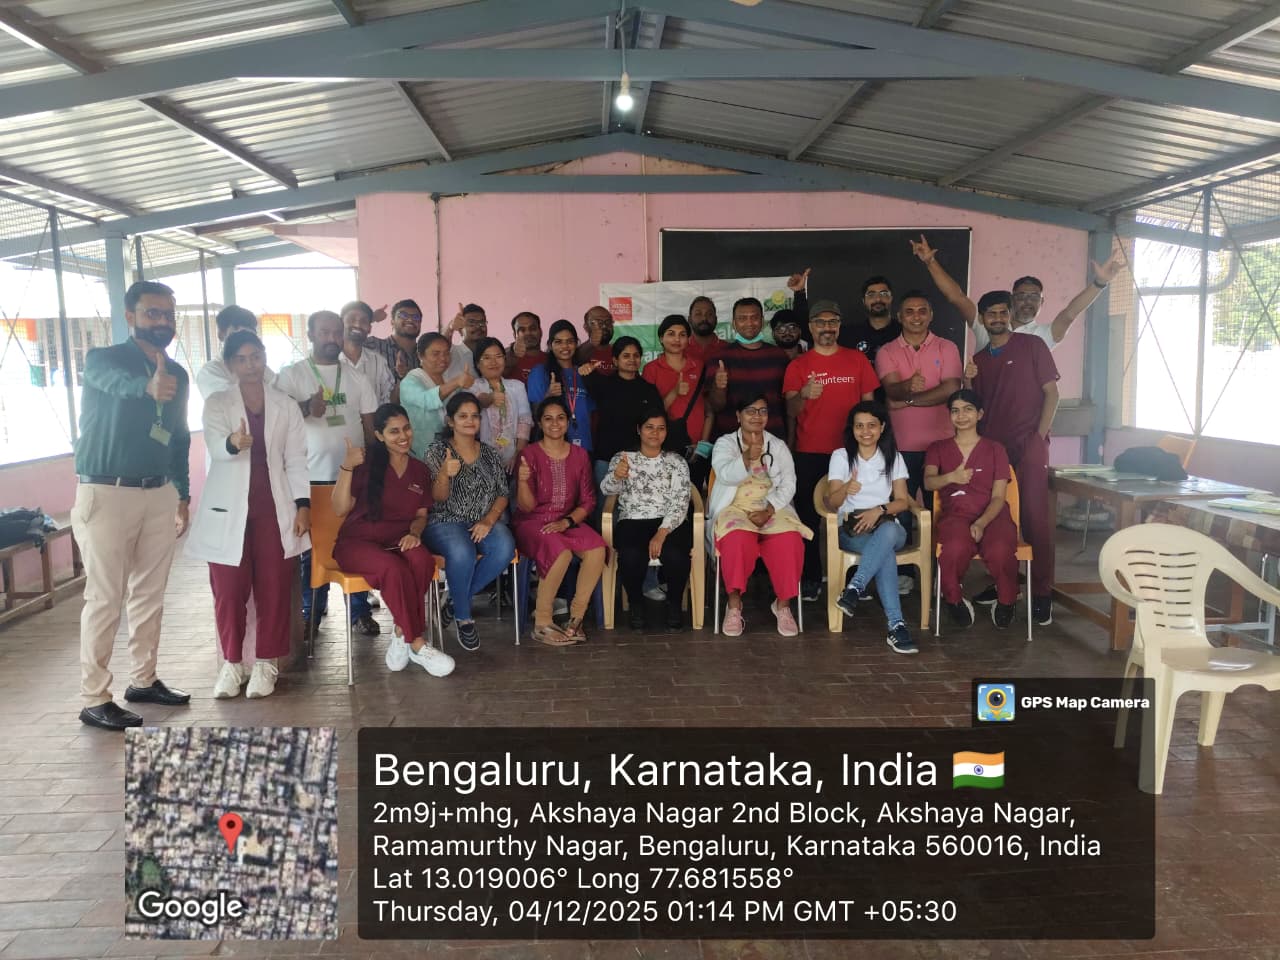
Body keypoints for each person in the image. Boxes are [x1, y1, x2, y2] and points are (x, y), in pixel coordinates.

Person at [72, 280, 192, 730]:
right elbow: (114, 383)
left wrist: (181, 494)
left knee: (150, 593)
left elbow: (178, 437)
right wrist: (145, 386)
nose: (161, 322)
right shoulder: (104, 360)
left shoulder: (177, 374)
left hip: (158, 493)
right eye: (152, 313)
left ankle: (143, 680)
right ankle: (94, 696)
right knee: (104, 597)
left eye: (167, 314)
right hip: (107, 493)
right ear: (130, 316)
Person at [187, 331, 311, 699]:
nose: (250, 365)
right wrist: (232, 443)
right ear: (229, 365)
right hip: (228, 510)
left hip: (274, 507)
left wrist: (303, 505)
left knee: (273, 587)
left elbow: (296, 459)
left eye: (255, 356)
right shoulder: (217, 404)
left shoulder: (284, 404)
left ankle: (266, 663)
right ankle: (231, 663)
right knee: (228, 589)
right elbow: (215, 447)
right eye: (241, 359)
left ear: (264, 357)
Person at [276, 310, 379, 638]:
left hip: (351, 479)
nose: (333, 338)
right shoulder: (291, 375)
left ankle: (359, 611)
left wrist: (374, 469)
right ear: (310, 335)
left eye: (337, 332)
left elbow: (369, 424)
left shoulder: (355, 377)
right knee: (312, 549)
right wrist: (307, 408)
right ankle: (313, 612)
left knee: (356, 542)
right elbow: (276, 421)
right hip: (309, 480)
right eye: (325, 332)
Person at [332, 404, 456, 677]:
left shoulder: (419, 469)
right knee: (394, 568)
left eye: (406, 428)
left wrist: (415, 533)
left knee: (422, 560)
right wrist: (346, 467)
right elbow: (340, 509)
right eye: (393, 431)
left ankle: (401, 630)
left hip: (399, 539)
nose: (403, 436)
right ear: (379, 435)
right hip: (356, 543)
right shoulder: (364, 465)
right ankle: (418, 642)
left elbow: (421, 515)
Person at [969, 292, 1059, 625]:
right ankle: (1005, 583)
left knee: (1035, 519)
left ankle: (1042, 593)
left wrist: (1039, 436)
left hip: (1029, 445)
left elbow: (1052, 393)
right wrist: (966, 378)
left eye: (1002, 312)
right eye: (989, 313)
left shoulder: (1032, 346)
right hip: (995, 449)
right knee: (1000, 518)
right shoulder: (977, 361)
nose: (996, 318)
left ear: (1009, 315)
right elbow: (974, 408)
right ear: (981, 318)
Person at [782, 299, 880, 601]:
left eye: (832, 322)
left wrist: (870, 446)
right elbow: (790, 409)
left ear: (839, 326)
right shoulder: (798, 365)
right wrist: (805, 395)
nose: (827, 328)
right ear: (811, 327)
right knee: (809, 519)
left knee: (854, 514)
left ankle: (855, 579)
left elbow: (869, 405)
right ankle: (811, 578)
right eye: (820, 323)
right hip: (810, 451)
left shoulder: (857, 360)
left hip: (853, 451)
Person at [910, 233, 1125, 351]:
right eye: (1021, 296)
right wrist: (930, 262)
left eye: (1034, 297)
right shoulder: (988, 323)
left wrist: (1099, 283)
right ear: (1011, 299)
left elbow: (1071, 312)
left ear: (1042, 302)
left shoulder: (1045, 336)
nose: (1027, 302)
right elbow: (956, 296)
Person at [708, 393, 811, 639]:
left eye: (763, 411)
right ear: (738, 416)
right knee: (736, 540)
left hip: (771, 506)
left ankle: (783, 606)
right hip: (735, 507)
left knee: (790, 541)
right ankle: (734, 605)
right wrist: (747, 458)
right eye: (751, 411)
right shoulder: (725, 443)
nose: (757, 416)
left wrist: (769, 509)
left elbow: (789, 483)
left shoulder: (777, 446)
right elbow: (724, 475)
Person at [421, 392, 517, 651]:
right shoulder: (437, 451)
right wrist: (443, 473)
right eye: (462, 416)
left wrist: (488, 520)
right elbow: (436, 497)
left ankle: (454, 599)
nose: (470, 421)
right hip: (444, 521)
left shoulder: (489, 453)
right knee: (461, 551)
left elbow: (502, 494)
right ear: (450, 421)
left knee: (504, 547)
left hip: (481, 520)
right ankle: (464, 618)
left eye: (474, 416)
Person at [512, 397, 607, 646]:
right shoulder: (529, 454)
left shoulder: (579, 454)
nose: (555, 423)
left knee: (597, 548)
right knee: (560, 552)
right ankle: (542, 622)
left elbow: (588, 501)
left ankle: (574, 619)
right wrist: (522, 480)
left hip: (566, 521)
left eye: (560, 417)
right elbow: (526, 506)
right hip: (533, 522)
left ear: (568, 421)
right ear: (540, 424)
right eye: (548, 418)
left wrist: (567, 522)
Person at [924, 389, 1020, 630]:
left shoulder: (995, 449)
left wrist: (981, 523)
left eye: (967, 409)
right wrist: (951, 477)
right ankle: (954, 600)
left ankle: (1006, 601)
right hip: (956, 514)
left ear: (979, 414)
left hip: (992, 514)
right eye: (955, 410)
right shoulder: (938, 448)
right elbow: (928, 482)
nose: (961, 416)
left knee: (999, 549)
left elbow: (999, 497)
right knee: (954, 549)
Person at [826, 403, 917, 654]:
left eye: (872, 425)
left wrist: (879, 509)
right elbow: (831, 502)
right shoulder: (841, 456)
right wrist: (846, 488)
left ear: (882, 427)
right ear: (852, 429)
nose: (866, 431)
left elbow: (902, 501)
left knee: (887, 535)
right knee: (884, 553)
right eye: (859, 426)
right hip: (854, 530)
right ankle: (896, 626)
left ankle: (855, 587)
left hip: (888, 524)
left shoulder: (893, 457)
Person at [601, 412, 693, 631]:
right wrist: (617, 476)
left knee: (675, 554)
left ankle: (674, 604)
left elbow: (681, 501)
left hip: (669, 520)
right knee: (631, 554)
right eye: (649, 427)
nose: (655, 433)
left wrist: (662, 532)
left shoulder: (676, 461)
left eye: (661, 428)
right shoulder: (623, 458)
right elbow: (607, 489)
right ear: (638, 429)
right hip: (633, 519)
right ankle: (636, 603)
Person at [874, 290, 963, 500]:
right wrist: (907, 386)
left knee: (942, 511)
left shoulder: (947, 347)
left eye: (922, 311)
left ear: (931, 315)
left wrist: (908, 400)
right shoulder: (887, 351)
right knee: (903, 509)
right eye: (910, 311)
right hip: (902, 446)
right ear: (900, 317)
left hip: (944, 443)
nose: (916, 316)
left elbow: (951, 390)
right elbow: (892, 391)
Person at [642, 315, 713, 483]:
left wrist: (702, 445)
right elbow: (650, 414)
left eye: (682, 335)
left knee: (694, 501)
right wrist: (674, 393)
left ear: (689, 339)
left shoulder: (699, 366)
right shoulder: (651, 369)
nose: (676, 339)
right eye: (671, 333)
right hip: (664, 447)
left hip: (695, 449)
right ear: (661, 338)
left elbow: (709, 410)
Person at [707, 297, 790, 440]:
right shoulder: (719, 358)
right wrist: (719, 386)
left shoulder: (779, 356)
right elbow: (715, 407)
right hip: (732, 444)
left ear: (763, 322)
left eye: (754, 317)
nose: (749, 323)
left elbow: (788, 406)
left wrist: (790, 442)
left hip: (773, 442)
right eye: (742, 318)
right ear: (734, 323)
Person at [584, 335, 664, 468]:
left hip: (639, 459)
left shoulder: (649, 390)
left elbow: (658, 421)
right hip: (606, 458)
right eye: (626, 356)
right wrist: (585, 370)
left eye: (636, 355)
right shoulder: (602, 385)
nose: (632, 359)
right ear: (615, 360)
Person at [398, 332, 475, 459]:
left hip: (449, 453)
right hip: (420, 454)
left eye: (446, 353)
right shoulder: (410, 381)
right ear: (420, 356)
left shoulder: (448, 380)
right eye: (436, 354)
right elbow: (427, 401)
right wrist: (456, 382)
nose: (443, 358)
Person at [526, 320, 595, 452]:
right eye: (558, 342)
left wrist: (594, 377)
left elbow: (590, 414)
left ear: (576, 344)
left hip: (584, 446)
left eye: (570, 341)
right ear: (550, 345)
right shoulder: (540, 372)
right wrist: (549, 396)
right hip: (552, 448)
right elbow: (535, 414)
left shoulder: (584, 372)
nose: (565, 346)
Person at [470, 337, 532, 473]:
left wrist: (518, 455)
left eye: (498, 356)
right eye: (486, 357)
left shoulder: (517, 386)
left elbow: (525, 421)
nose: (493, 362)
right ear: (478, 363)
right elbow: (479, 400)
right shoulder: (472, 386)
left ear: (505, 359)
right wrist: (491, 398)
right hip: (480, 462)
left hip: (512, 460)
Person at [196, 305, 276, 399]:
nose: (244, 339)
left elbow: (282, 393)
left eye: (250, 334)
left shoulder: (261, 367)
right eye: (238, 333)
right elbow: (232, 402)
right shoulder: (210, 371)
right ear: (221, 335)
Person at [838, 275, 902, 369]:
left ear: (891, 298)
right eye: (871, 295)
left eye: (884, 294)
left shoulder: (904, 333)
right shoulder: (848, 334)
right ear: (864, 301)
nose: (878, 299)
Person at [341, 300, 395, 404]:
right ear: (341, 323)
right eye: (351, 319)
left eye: (364, 321)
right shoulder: (327, 360)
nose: (357, 324)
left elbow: (387, 398)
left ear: (369, 328)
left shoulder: (378, 362)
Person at [367, 298, 423, 381]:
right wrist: (371, 318)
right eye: (403, 315)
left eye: (416, 317)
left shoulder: (424, 353)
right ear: (392, 322)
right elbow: (344, 339)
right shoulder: (374, 345)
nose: (410, 320)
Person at [444, 302, 486, 380]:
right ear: (460, 329)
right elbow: (441, 344)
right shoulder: (452, 352)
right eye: (471, 323)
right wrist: (451, 328)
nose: (478, 327)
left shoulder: (490, 354)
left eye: (482, 322)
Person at [505, 311, 546, 384]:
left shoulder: (550, 359)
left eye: (533, 328)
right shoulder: (506, 359)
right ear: (515, 335)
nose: (528, 333)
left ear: (541, 331)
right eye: (522, 330)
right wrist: (512, 352)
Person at [575, 305, 617, 375]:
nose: (604, 326)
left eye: (608, 322)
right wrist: (591, 343)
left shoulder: (620, 352)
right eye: (599, 322)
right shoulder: (577, 353)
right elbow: (577, 358)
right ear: (586, 327)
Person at [685, 295, 725, 363]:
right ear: (689, 319)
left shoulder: (728, 349)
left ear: (716, 319)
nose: (704, 318)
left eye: (709, 314)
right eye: (698, 314)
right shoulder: (680, 350)